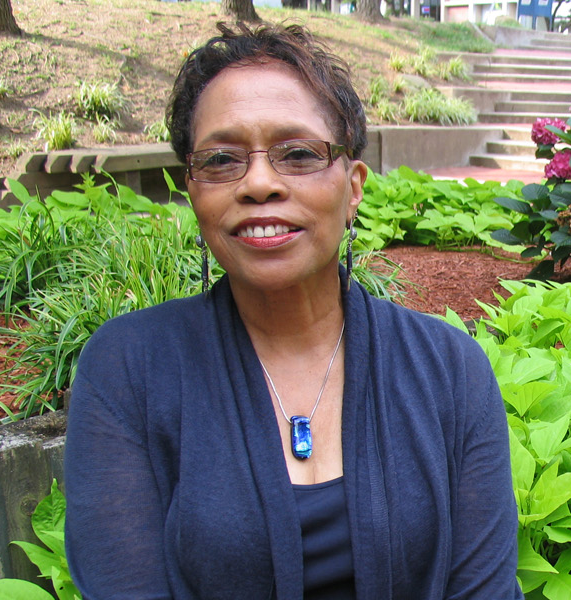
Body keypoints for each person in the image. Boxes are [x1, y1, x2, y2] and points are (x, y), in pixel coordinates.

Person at [63, 22, 522, 600]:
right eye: (222, 159)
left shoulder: (451, 370)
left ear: (353, 186)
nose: (258, 183)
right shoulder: (128, 370)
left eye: (298, 153)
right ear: (192, 190)